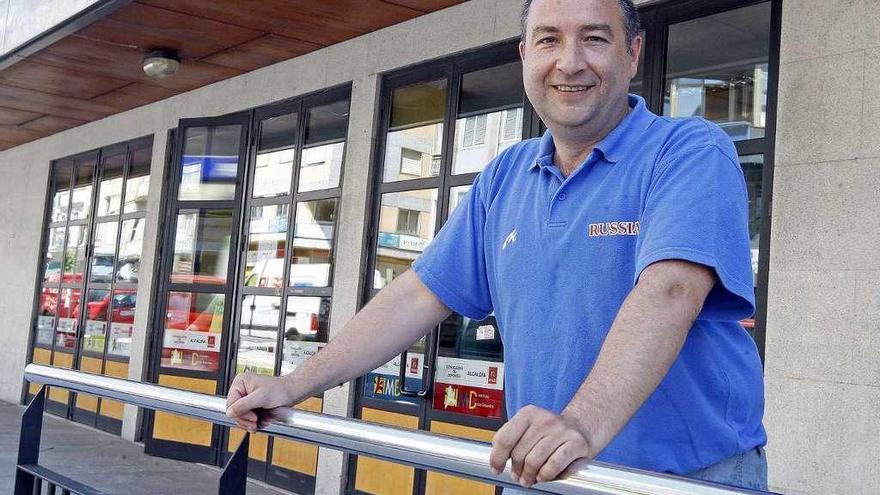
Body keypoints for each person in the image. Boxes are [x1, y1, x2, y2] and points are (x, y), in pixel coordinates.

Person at [226, 0, 767, 490]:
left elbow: (671, 291)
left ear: (633, 55)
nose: (571, 62)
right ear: (524, 55)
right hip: (549, 472)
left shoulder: (689, 150)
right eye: (549, 40)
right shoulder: (506, 175)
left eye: (595, 39)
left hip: (680, 480)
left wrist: (579, 423)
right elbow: (418, 295)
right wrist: (296, 384)